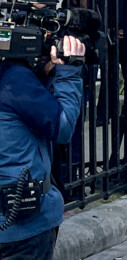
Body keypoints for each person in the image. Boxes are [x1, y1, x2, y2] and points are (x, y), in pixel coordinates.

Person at [0, 36, 85, 259]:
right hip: (21, 229)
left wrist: (40, 73)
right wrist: (68, 73)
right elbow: (63, 127)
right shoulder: (14, 79)